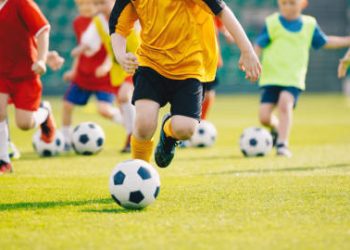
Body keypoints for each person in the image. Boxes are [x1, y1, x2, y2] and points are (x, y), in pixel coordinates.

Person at [109, 0, 261, 168]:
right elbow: (117, 26)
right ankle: (138, 170)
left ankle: (168, 133)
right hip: (151, 64)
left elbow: (222, 11)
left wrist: (247, 51)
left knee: (185, 129)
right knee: (144, 124)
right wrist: (120, 54)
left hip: (190, 68)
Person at [255, 0, 350, 157]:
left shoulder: (309, 24)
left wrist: (347, 40)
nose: (287, 7)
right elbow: (258, 46)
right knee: (264, 117)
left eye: (292, 3)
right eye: (284, 3)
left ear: (302, 4)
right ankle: (277, 129)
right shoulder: (272, 23)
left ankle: (282, 144)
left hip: (293, 78)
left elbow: (325, 41)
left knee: (285, 104)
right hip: (271, 78)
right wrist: (251, 60)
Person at [0, 0, 57, 174]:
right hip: (2, 73)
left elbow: (42, 31)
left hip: (25, 73)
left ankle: (45, 112)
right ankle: (4, 160)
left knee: (24, 123)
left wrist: (41, 59)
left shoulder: (21, 3)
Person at [62, 0, 126, 152]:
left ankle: (127, 123)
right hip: (84, 75)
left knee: (103, 110)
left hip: (103, 77)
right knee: (67, 105)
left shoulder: (106, 21)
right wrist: (73, 70)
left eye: (88, 4)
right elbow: (81, 49)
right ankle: (65, 139)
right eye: (80, 5)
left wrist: (106, 65)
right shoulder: (78, 22)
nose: (85, 8)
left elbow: (111, 47)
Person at [7, 50, 65, 160]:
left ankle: (44, 111)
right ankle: (5, 145)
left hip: (15, 72)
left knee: (24, 123)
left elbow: (18, 41)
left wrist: (43, 57)